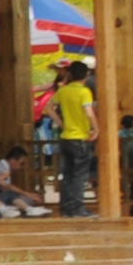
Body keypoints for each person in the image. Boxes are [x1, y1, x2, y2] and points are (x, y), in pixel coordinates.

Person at [50, 59, 101, 216]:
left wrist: (61, 124)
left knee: (67, 174)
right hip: (80, 137)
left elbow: (48, 108)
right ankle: (78, 209)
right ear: (86, 75)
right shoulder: (84, 92)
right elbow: (88, 112)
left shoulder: (63, 90)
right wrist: (96, 128)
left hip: (66, 137)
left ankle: (66, 208)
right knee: (80, 175)